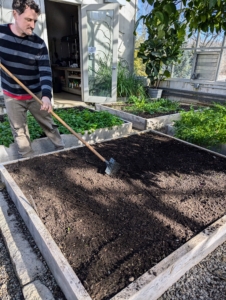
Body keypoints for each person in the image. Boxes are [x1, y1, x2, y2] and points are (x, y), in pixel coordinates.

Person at [0, 0, 64, 158]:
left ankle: (63, 150)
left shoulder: (39, 44)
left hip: (36, 94)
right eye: (28, 19)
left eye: (35, 20)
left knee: (49, 125)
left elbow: (45, 71)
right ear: (15, 14)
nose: (33, 25)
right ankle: (28, 162)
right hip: (12, 95)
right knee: (19, 133)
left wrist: (47, 96)